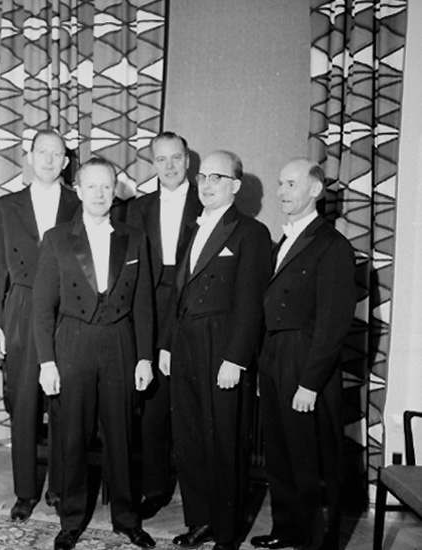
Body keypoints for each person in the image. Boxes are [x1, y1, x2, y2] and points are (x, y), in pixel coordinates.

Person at [33, 157, 156, 550]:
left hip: (120, 343)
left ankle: (126, 519)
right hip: (73, 343)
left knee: (122, 436)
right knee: (72, 438)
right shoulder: (56, 238)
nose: (100, 194)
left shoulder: (134, 238)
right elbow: (42, 307)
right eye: (92, 186)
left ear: (115, 189)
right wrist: (47, 361)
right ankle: (71, 521)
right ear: (78, 190)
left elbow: (144, 304)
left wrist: (144, 357)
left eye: (107, 186)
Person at [165, 151, 272, 550]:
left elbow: (250, 303)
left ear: (235, 185)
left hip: (222, 348)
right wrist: (167, 346)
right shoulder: (192, 229)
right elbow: (178, 292)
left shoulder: (251, 232)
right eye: (203, 177)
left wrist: (236, 359)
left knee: (225, 441)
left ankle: (227, 534)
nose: (206, 184)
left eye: (217, 177)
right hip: (186, 344)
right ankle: (201, 521)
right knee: (190, 438)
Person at [251, 158, 357, 550]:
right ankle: (287, 530)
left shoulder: (332, 246)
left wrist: (310, 383)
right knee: (280, 453)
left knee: (312, 457)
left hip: (307, 361)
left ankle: (318, 542)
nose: (282, 192)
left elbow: (333, 324)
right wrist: (264, 368)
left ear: (315, 190)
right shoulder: (284, 242)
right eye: (280, 184)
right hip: (276, 358)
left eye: (291, 184)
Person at [0, 129, 80, 522]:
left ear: (66, 162)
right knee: (23, 401)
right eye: (42, 152)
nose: (49, 160)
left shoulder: (79, 204)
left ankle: (59, 487)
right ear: (30, 156)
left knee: (63, 403)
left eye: (57, 154)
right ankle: (25, 492)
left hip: (66, 309)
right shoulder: (5, 206)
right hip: (21, 309)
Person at [126, 131, 202, 520]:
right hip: (149, 310)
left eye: (175, 158)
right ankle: (155, 489)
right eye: (161, 159)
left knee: (190, 413)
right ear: (152, 164)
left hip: (191, 309)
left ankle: (198, 499)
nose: (169, 166)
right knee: (152, 410)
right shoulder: (137, 208)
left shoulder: (207, 202)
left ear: (187, 160)